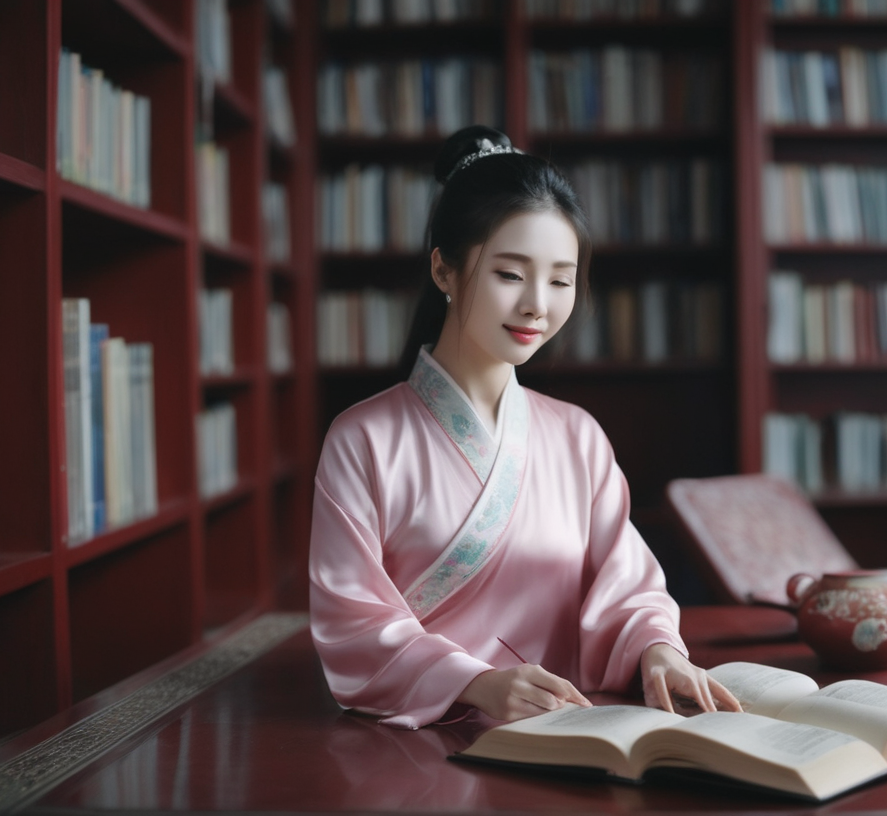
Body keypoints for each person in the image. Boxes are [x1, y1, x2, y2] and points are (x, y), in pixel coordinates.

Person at [309, 126, 740, 728]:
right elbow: (352, 620)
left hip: (575, 733)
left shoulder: (578, 436)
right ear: (444, 271)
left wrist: (657, 649)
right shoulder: (362, 439)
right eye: (510, 274)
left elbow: (626, 583)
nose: (538, 304)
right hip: (423, 742)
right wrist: (477, 684)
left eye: (560, 280)